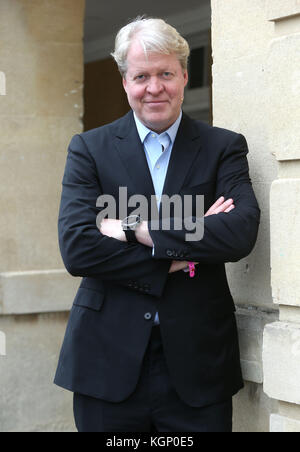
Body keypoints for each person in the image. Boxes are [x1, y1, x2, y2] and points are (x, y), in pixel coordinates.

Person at [54, 17, 260, 432]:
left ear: (184, 75)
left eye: (165, 73)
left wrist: (133, 230)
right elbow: (78, 247)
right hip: (107, 360)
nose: (154, 88)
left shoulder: (223, 147)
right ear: (125, 82)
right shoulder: (89, 149)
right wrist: (182, 252)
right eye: (141, 76)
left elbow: (239, 232)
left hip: (198, 364)